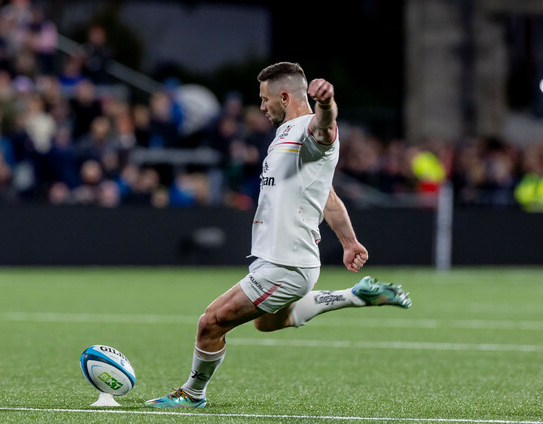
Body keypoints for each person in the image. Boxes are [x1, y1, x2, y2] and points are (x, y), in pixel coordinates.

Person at [145, 62, 411, 408]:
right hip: (282, 260)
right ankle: (354, 295)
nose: (261, 106)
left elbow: (325, 127)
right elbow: (327, 196)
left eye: (265, 98)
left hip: (286, 264)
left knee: (210, 322)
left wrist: (326, 103)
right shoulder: (284, 135)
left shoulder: (306, 130)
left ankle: (192, 394)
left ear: (284, 97)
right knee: (268, 324)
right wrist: (349, 242)